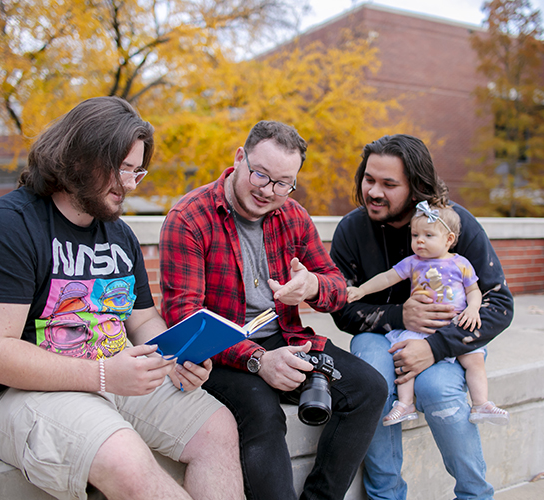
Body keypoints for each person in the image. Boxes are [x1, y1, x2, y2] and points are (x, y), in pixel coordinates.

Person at [0, 96, 243, 500]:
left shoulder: (118, 234)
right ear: (79, 157)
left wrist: (174, 359)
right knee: (125, 458)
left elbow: (141, 319)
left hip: (110, 374)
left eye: (138, 171)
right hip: (10, 394)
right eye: (122, 168)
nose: (129, 184)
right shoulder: (4, 229)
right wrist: (104, 375)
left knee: (218, 428)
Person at [159, 120, 387, 500]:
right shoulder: (189, 217)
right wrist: (259, 360)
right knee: (263, 414)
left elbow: (336, 288)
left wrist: (313, 285)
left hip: (287, 337)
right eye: (260, 175)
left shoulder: (293, 215)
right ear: (239, 158)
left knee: (369, 388)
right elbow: (185, 319)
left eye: (283, 183)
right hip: (221, 353)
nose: (269, 191)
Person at [330, 134, 514, 500]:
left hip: (447, 338)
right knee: (372, 384)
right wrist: (400, 315)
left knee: (438, 388)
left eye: (389, 184)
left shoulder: (452, 224)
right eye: (369, 179)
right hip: (380, 336)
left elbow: (499, 303)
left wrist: (433, 347)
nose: (373, 191)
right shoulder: (351, 229)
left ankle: (476, 495)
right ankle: (386, 495)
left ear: (416, 188)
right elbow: (343, 307)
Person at [347, 200, 509, 427]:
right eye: (415, 235)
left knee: (474, 360)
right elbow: (386, 278)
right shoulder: (413, 263)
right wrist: (361, 290)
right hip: (420, 327)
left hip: (452, 328)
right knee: (405, 360)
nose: (419, 240)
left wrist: (473, 309)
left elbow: (474, 290)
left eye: (428, 235)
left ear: (449, 239)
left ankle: (481, 404)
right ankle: (404, 404)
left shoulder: (461, 264)